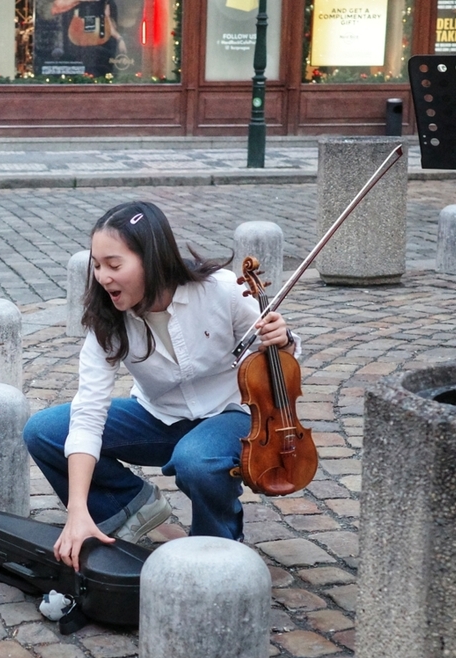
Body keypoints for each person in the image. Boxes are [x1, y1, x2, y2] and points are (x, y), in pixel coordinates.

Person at [23, 201, 296, 571]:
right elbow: (88, 412)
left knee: (196, 460)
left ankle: (218, 551)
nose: (103, 277)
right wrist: (77, 511)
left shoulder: (222, 290)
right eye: (97, 265)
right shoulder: (108, 319)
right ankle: (133, 509)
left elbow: (279, 360)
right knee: (45, 430)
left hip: (230, 415)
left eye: (114, 265)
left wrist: (282, 340)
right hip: (159, 417)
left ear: (151, 259)